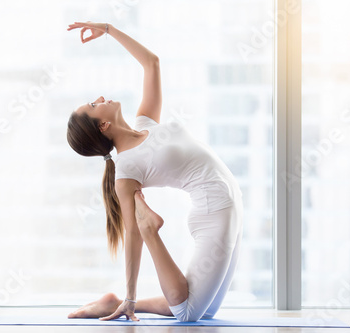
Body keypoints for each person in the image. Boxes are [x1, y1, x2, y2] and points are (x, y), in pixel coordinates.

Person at [66, 22, 243, 322]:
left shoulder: (145, 124)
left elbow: (152, 63)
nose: (100, 97)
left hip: (232, 202)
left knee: (208, 309)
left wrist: (108, 29)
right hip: (215, 212)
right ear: (103, 126)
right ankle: (139, 262)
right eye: (95, 105)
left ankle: (112, 302)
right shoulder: (125, 169)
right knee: (188, 313)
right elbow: (131, 233)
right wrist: (131, 296)